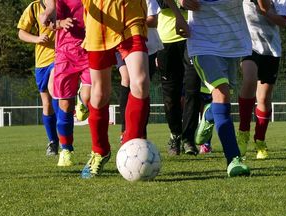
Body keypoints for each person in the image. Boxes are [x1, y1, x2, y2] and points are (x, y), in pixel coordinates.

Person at [77, 0, 188, 179]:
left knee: (141, 82)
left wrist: (177, 15)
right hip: (100, 20)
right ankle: (100, 151)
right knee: (99, 94)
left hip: (132, 16)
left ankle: (130, 146)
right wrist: (51, 8)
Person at [181, 0, 270, 177]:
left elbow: (265, 7)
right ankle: (233, 159)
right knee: (222, 95)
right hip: (202, 43)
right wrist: (178, 11)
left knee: (223, 96)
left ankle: (209, 115)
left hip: (233, 44)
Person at [237, 0, 286, 159]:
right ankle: (243, 133)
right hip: (248, 46)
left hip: (271, 50)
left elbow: (285, 22)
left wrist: (265, 11)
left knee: (264, 98)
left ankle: (260, 140)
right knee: (250, 80)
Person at [49, 0, 91, 167]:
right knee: (65, 105)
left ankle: (82, 99)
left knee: (88, 96)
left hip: (89, 48)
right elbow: (50, 24)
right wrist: (60, 23)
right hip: (65, 53)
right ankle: (66, 150)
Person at [156, 0, 201, 156]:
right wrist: (181, 2)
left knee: (193, 88)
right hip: (167, 40)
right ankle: (175, 134)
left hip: (194, 37)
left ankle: (188, 138)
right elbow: (162, 3)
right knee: (170, 94)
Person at [117, 0, 164, 142]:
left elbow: (153, 20)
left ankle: (140, 131)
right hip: (119, 41)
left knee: (143, 86)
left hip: (147, 47)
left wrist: (134, 21)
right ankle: (125, 131)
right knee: (127, 79)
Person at [18, 0, 59, 156]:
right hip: (41, 62)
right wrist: (36, 39)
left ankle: (65, 136)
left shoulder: (64, 3)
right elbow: (21, 32)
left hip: (60, 56)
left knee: (53, 87)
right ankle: (53, 142)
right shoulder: (34, 6)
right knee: (46, 103)